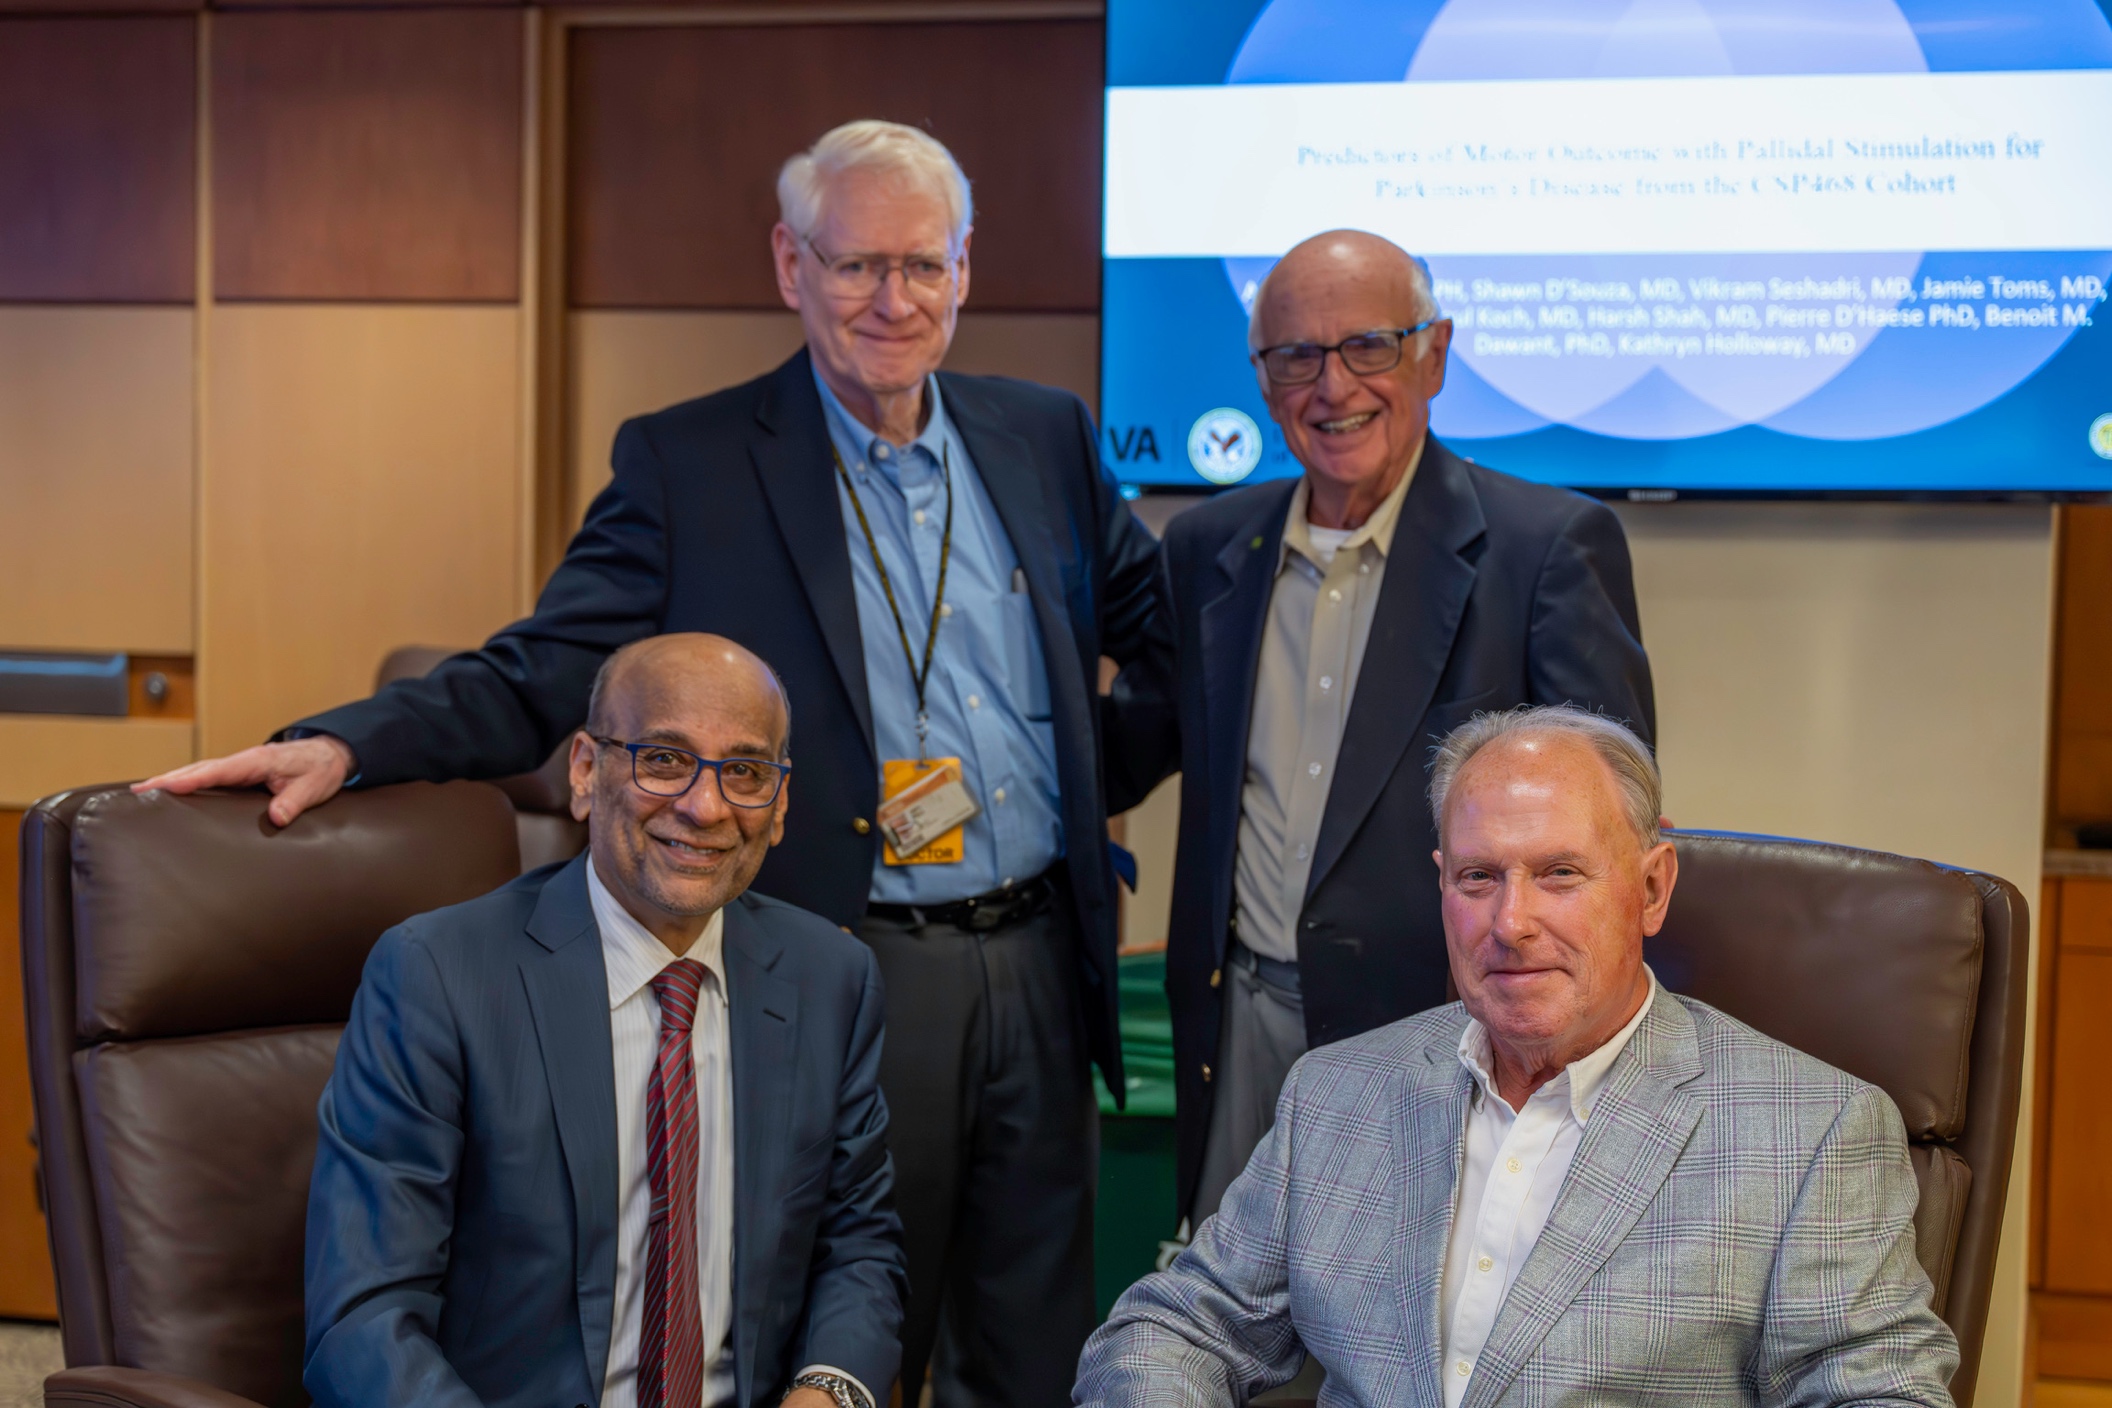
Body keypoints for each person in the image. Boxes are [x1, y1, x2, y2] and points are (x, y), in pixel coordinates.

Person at [147, 121, 1161, 1406]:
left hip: (1034, 961)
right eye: (855, 266)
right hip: (848, 960)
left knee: (1032, 1338)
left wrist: (1080, 790)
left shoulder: (1046, 439)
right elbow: (545, 668)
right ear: (791, 264)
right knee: (846, 1312)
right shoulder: (693, 464)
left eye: (922, 265)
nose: (891, 300)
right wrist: (349, 740)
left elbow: (1163, 647)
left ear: (967, 269)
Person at [1075, 704, 1958, 1408]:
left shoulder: (1809, 1131)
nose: (1512, 922)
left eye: (1561, 874)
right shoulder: (1338, 1094)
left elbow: (1879, 1397)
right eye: (1478, 877)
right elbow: (1175, 1330)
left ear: (1652, 888)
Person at [1114, 229, 1656, 1226]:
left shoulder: (1543, 550)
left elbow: (1610, 822)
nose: (1333, 387)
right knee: (1244, 1331)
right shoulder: (1204, 549)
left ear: (1433, 355)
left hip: (1450, 1031)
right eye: (1296, 357)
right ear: (1263, 380)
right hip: (1240, 1030)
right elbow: (1129, 743)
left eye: (1367, 346)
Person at [305, 634, 904, 1408]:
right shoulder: (438, 975)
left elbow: (859, 1248)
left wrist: (827, 1393)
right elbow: (363, 1317)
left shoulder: (831, 978)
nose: (705, 806)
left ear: (781, 804)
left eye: (746, 773)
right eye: (663, 759)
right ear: (585, 770)